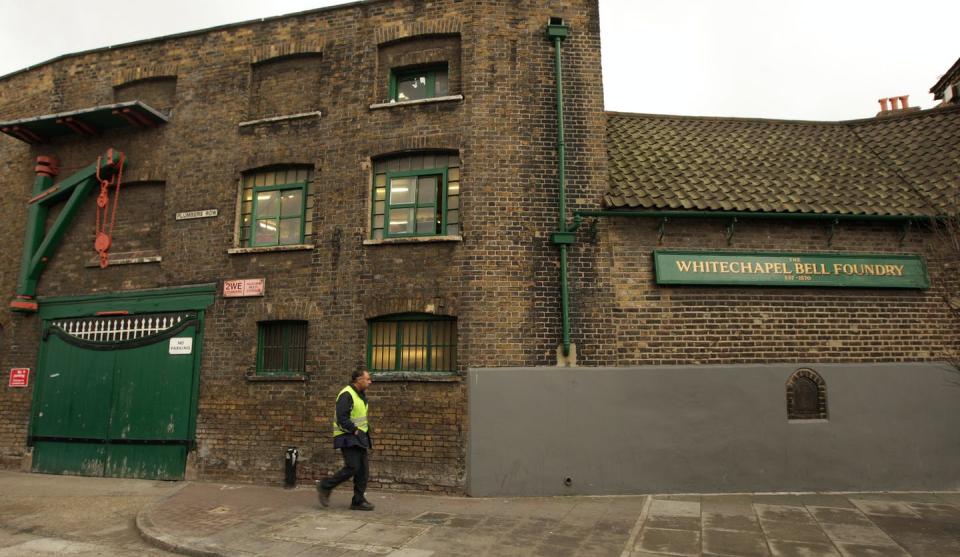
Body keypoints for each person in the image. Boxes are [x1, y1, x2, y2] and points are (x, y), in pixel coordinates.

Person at [317, 369, 374, 511]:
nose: (370, 382)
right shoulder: (346, 394)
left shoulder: (360, 395)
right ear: (359, 379)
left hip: (359, 436)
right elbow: (342, 417)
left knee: (363, 471)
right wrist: (354, 429)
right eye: (367, 379)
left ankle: (358, 501)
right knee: (353, 466)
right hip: (347, 436)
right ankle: (325, 486)